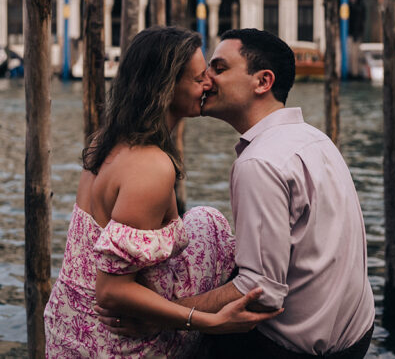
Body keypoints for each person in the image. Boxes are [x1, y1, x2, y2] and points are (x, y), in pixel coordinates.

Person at [106, 28, 375, 357]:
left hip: (289, 348)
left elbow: (260, 292)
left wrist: (165, 317)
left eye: (219, 68)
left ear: (262, 82)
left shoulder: (259, 162)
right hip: (357, 337)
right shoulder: (315, 138)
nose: (206, 80)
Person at [44, 26, 279, 358]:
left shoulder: (106, 140)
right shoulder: (151, 167)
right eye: (199, 78)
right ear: (166, 87)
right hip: (113, 342)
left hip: (66, 326)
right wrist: (207, 321)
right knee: (212, 223)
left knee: (202, 219)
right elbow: (111, 292)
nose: (209, 83)